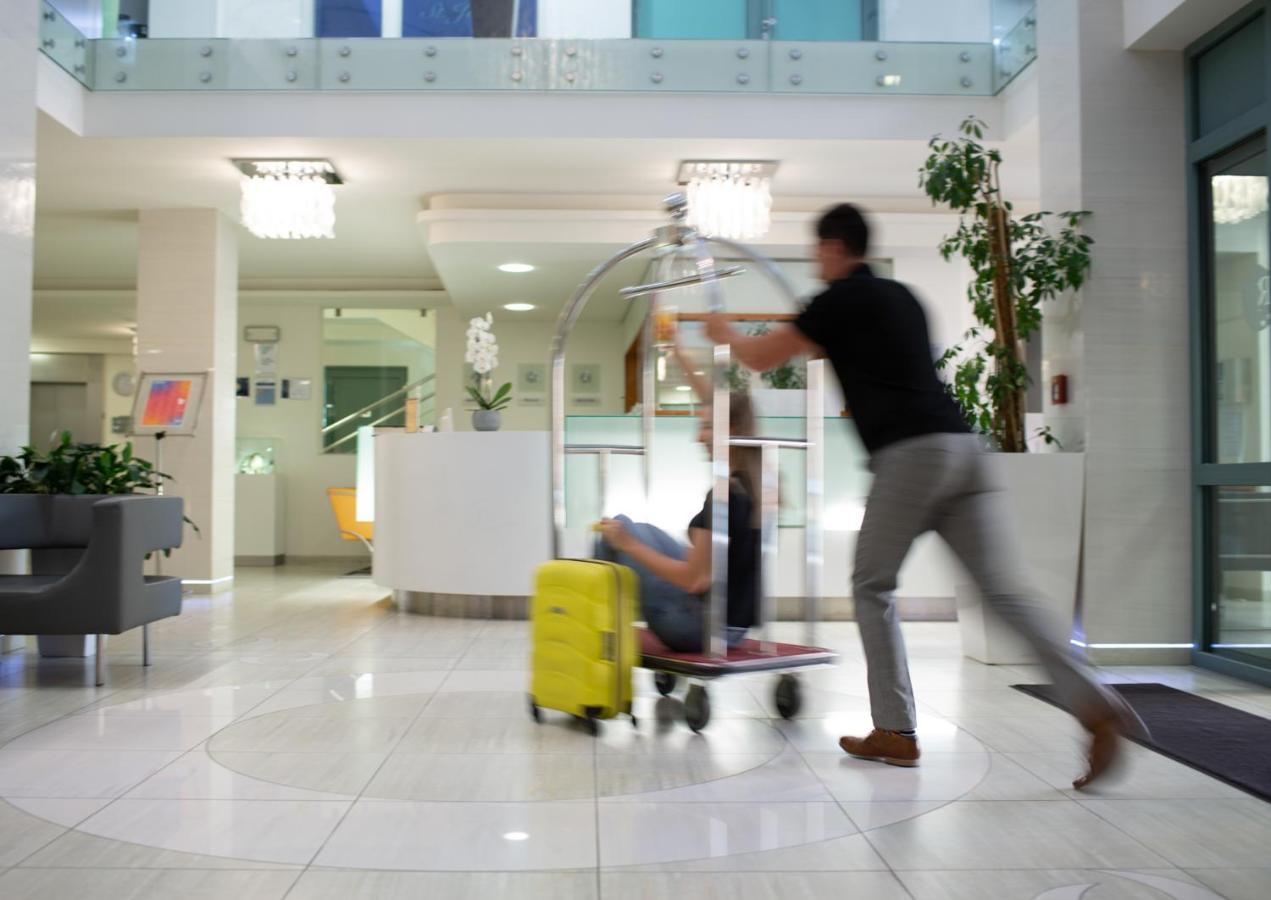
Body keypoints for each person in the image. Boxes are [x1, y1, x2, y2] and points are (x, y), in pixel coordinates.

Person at [704, 202, 1139, 789]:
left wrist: (720, 332)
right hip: (964, 449)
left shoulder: (837, 302)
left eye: (817, 251)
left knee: (870, 583)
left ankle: (896, 731)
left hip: (911, 455)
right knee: (1005, 590)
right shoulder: (902, 298)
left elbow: (760, 357)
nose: (816, 261)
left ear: (833, 248)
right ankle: (1095, 702)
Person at [595, 340, 760, 654]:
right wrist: (678, 352)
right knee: (624, 523)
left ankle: (605, 641)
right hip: (733, 625)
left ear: (731, 429)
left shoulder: (724, 496)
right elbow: (715, 401)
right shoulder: (757, 481)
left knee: (611, 537)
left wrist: (627, 544)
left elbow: (694, 581)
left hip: (697, 627)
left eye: (707, 428)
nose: (698, 436)